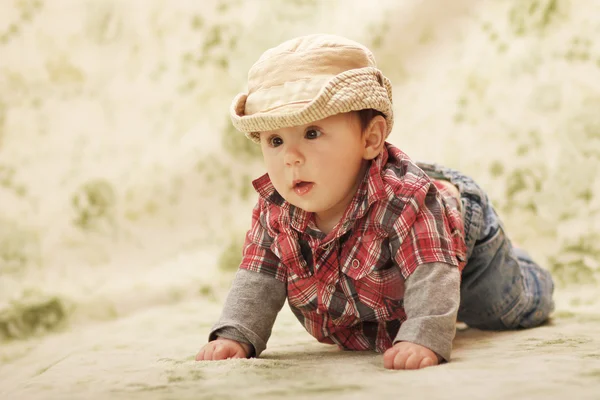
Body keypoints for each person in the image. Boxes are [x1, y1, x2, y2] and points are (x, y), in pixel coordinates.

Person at [195, 34, 555, 370]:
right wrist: (236, 334)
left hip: (458, 241)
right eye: (274, 141)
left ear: (371, 140)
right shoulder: (276, 209)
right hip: (380, 296)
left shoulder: (405, 201)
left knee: (502, 310)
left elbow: (430, 270)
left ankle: (519, 262)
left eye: (312, 133)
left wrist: (423, 336)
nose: (291, 157)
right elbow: (259, 276)